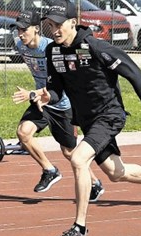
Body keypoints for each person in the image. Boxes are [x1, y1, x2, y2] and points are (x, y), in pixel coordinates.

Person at [36, 2, 141, 236]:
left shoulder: (95, 46)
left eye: (58, 24)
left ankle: (79, 229)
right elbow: (56, 89)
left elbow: (134, 73)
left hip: (110, 115)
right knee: (116, 173)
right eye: (49, 26)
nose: (54, 30)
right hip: (87, 120)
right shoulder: (53, 51)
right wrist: (46, 95)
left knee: (78, 159)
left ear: (73, 22)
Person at [11, 10, 105, 201]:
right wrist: (36, 94)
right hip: (41, 103)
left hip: (62, 103)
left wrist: (32, 93)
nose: (20, 34)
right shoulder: (21, 46)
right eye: (18, 29)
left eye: (24, 29)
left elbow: (60, 83)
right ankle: (50, 170)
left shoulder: (51, 49)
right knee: (23, 133)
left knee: (69, 152)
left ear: (36, 29)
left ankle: (94, 183)